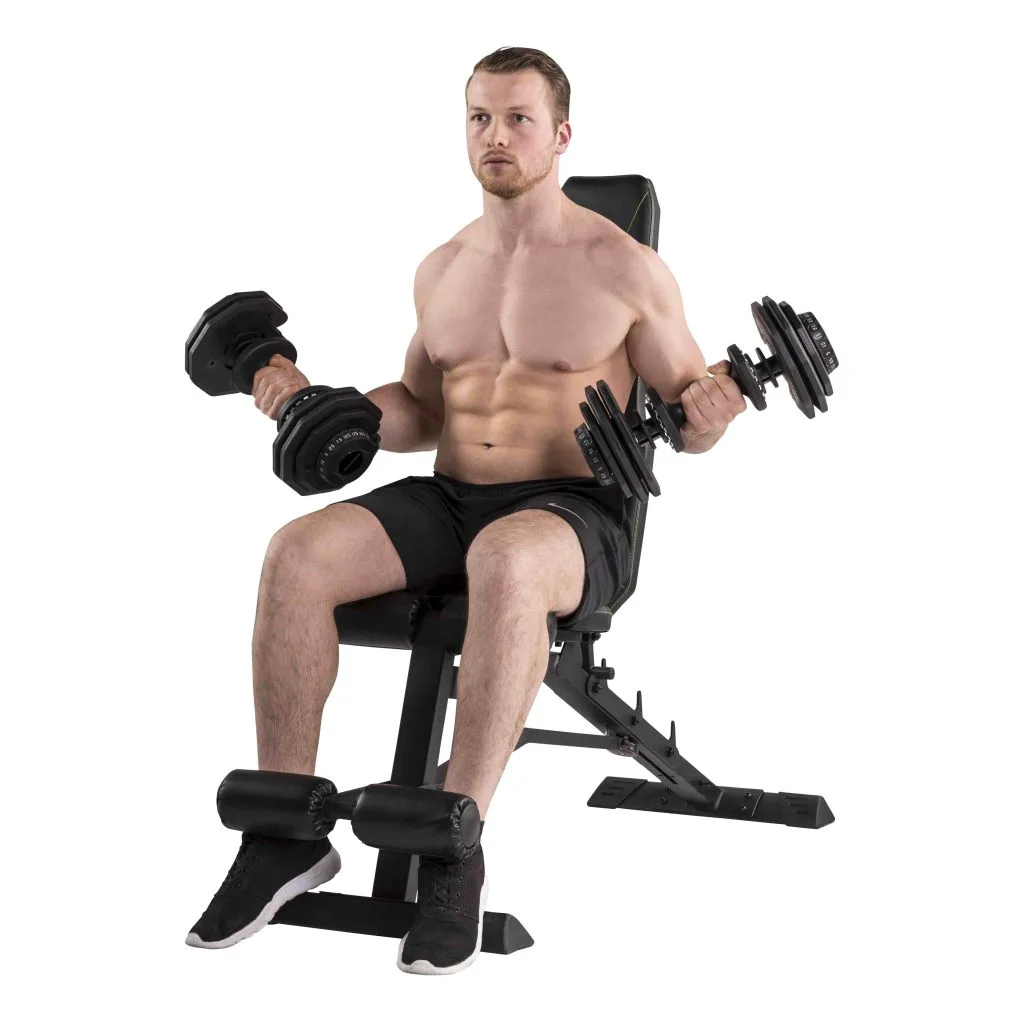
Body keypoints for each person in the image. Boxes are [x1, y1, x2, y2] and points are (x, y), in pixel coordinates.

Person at [186, 45, 747, 973]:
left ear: (561, 136)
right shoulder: (443, 267)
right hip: (452, 498)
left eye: (519, 118)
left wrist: (713, 418)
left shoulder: (626, 268)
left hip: (574, 513)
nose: (497, 136)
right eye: (480, 117)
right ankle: (284, 836)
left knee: (506, 561)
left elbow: (690, 419)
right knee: (296, 553)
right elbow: (422, 410)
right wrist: (322, 409)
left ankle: (456, 841)